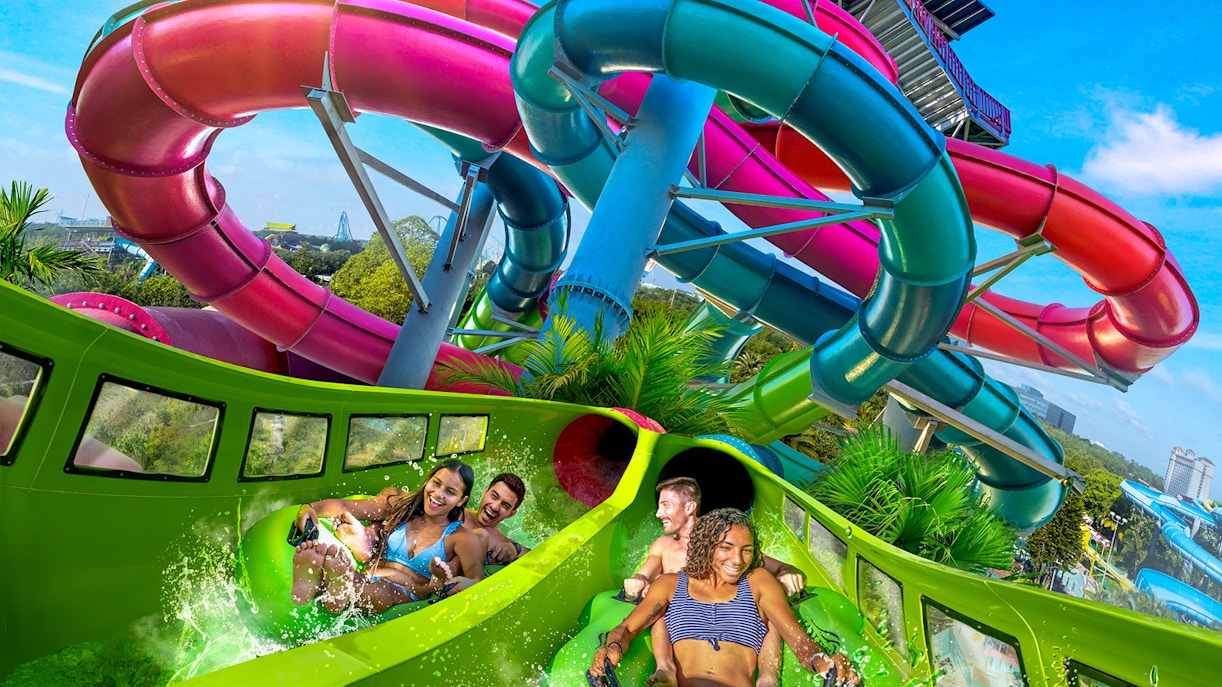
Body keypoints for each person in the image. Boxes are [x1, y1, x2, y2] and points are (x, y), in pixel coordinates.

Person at [592, 509, 860, 687]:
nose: (737, 560)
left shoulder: (758, 583)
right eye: (727, 548)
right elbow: (626, 629)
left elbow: (799, 641)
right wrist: (613, 648)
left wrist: (823, 662)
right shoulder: (669, 585)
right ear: (707, 546)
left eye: (747, 550)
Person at [290, 459, 484, 614]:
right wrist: (310, 508)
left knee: (384, 591)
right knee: (359, 580)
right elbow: (349, 507)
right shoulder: (401, 507)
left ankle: (335, 588)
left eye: (450, 492)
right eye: (436, 483)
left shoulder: (462, 538)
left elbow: (477, 578)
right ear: (428, 480)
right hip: (369, 576)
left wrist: (465, 582)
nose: (438, 494)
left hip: (403, 594)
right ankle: (315, 584)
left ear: (462, 500)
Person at [624, 477, 806, 599]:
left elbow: (782, 567)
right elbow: (645, 573)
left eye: (665, 505)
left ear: (689, 508)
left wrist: (789, 574)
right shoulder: (663, 546)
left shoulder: (724, 542)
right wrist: (638, 579)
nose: (658, 514)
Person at [463, 472, 531, 564]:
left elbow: (539, 558)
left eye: (505, 505)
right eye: (494, 496)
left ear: (511, 514)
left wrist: (516, 549)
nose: (495, 507)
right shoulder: (456, 512)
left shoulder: (501, 544)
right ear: (485, 492)